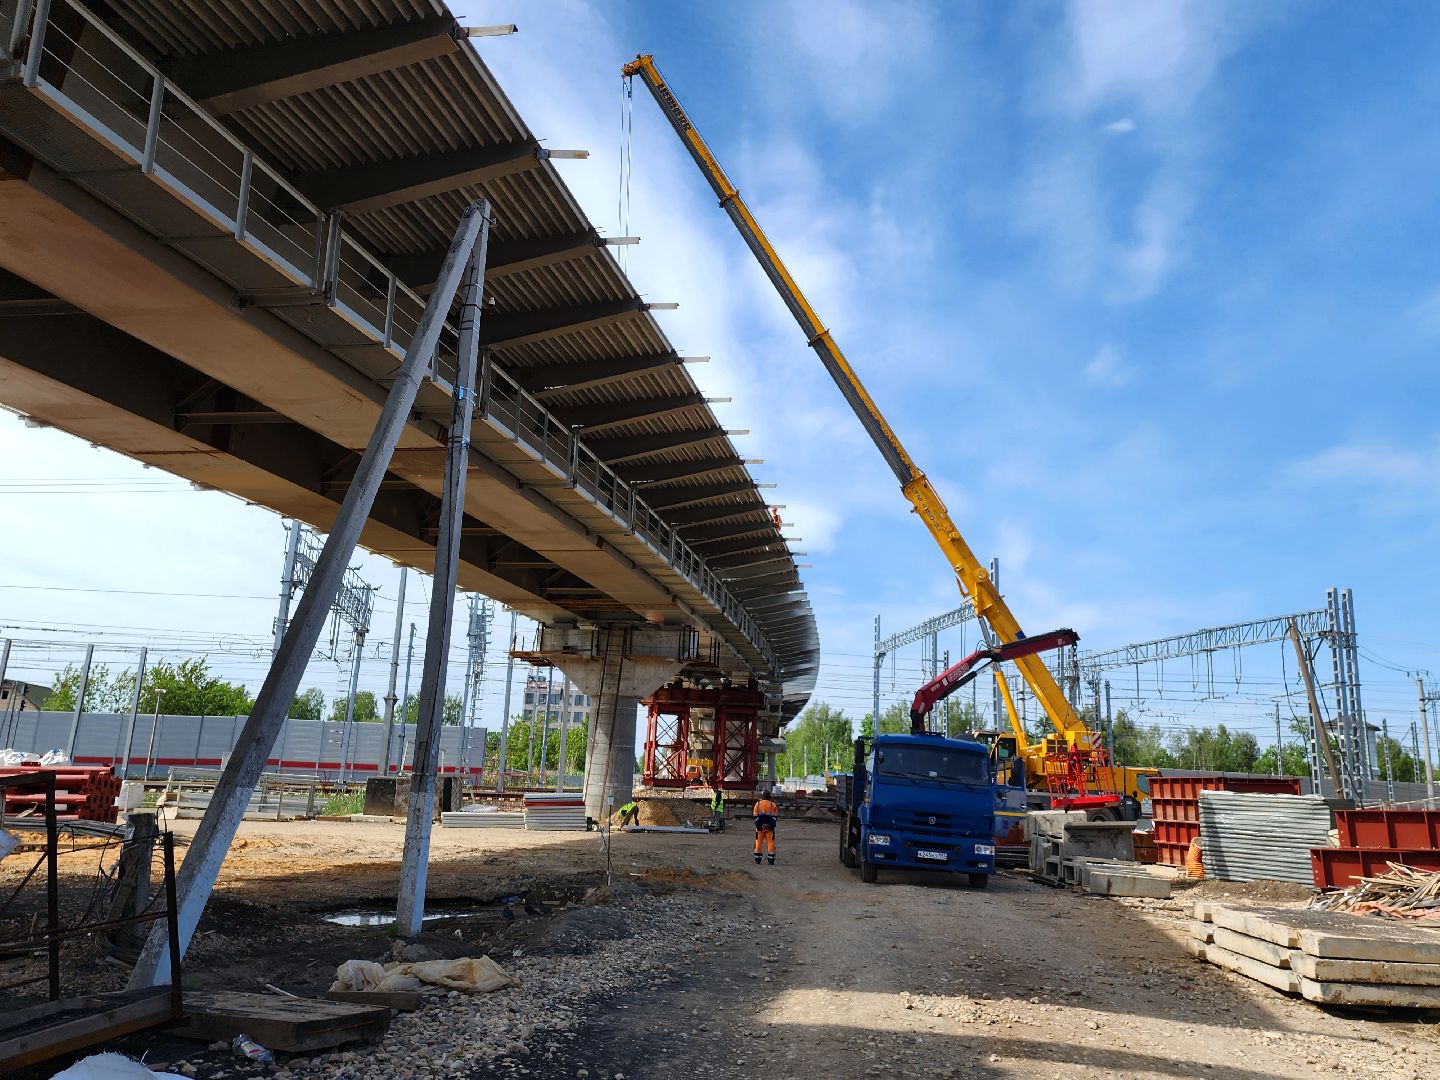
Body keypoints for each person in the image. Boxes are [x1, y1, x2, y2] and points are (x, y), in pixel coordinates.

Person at [752, 790, 779, 865]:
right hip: (770, 829)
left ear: (762, 796)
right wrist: (769, 825)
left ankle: (758, 859)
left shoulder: (758, 804)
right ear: (769, 796)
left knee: (758, 843)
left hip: (760, 828)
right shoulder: (773, 805)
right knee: (771, 843)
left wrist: (760, 825)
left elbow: (755, 816)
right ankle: (771, 860)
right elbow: (775, 817)